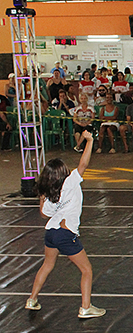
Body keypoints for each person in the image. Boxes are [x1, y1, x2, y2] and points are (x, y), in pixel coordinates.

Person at [26, 131, 106, 319]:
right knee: (86, 270)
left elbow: (44, 214)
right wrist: (90, 140)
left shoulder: (51, 194)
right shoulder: (70, 182)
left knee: (47, 265)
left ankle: (32, 299)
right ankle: (86, 307)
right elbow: (84, 163)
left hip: (51, 233)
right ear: (63, 173)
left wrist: (42, 194)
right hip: (65, 233)